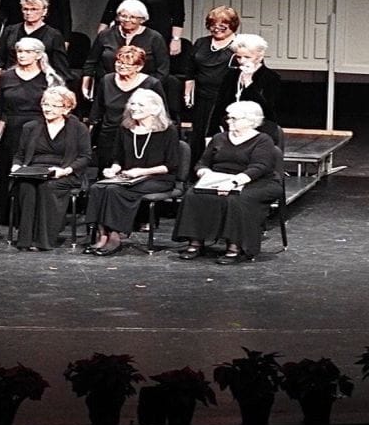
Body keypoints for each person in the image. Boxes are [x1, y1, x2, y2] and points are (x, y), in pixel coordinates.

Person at [173, 100, 282, 264]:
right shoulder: (219, 138)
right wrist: (205, 174)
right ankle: (195, 242)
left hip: (257, 181)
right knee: (193, 194)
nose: (228, 121)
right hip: (220, 178)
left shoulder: (263, 140)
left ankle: (235, 246)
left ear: (250, 120)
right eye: (229, 118)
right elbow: (202, 163)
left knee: (236, 199)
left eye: (234, 119)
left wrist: (233, 183)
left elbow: (260, 167)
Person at [83, 89, 179, 256]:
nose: (134, 108)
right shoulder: (125, 129)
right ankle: (101, 234)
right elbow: (118, 159)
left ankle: (115, 235)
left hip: (158, 177)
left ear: (155, 109)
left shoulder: (168, 130)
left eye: (140, 104)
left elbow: (170, 165)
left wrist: (141, 172)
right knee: (98, 188)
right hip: (129, 176)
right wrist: (113, 169)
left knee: (114, 190)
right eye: (132, 104)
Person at [9, 86, 91, 251]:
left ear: (67, 108)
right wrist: (17, 166)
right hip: (34, 170)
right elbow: (20, 154)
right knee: (26, 186)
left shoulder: (79, 128)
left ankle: (44, 240)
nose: (48, 108)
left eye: (54, 105)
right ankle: (26, 240)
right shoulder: (30, 127)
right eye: (46, 104)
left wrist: (65, 170)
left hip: (64, 171)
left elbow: (85, 157)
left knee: (48, 187)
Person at [0, 39, 65, 221]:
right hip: (12, 129)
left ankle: (33, 216)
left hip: (39, 129)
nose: (22, 55)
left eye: (27, 52)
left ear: (39, 54)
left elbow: (59, 108)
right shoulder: (6, 76)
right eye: (19, 51)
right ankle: (8, 216)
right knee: (9, 171)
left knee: (33, 171)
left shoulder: (50, 78)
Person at [87, 45, 166, 169]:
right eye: (119, 62)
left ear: (139, 67)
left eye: (128, 64)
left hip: (137, 134)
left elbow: (161, 112)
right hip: (109, 135)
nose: (122, 66)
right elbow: (97, 109)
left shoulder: (152, 83)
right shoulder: (106, 80)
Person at [81, 0, 170, 101]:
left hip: (143, 90)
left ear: (142, 19)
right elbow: (91, 62)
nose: (127, 20)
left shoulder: (155, 37)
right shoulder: (105, 35)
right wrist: (85, 84)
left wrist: (147, 88)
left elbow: (163, 70)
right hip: (109, 88)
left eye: (133, 17)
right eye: (123, 16)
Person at [184, 6, 241, 162]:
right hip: (202, 97)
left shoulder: (240, 45)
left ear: (233, 25)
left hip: (227, 99)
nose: (216, 29)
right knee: (199, 134)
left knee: (220, 133)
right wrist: (188, 93)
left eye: (222, 25)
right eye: (212, 25)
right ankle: (197, 170)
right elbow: (190, 70)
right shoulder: (201, 43)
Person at [206, 33, 281, 143]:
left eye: (247, 57)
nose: (242, 61)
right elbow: (219, 105)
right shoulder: (231, 75)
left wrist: (249, 83)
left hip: (260, 132)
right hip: (230, 130)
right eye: (238, 57)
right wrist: (210, 134)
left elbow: (268, 110)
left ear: (260, 57)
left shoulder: (271, 77)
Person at [0, 0, 70, 89]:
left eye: (34, 9)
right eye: (25, 9)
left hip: (41, 84)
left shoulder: (53, 35)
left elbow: (60, 66)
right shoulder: (10, 31)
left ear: (44, 11)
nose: (28, 12)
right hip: (11, 82)